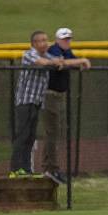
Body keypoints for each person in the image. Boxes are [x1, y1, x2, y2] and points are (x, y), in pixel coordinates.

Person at [9, 31, 63, 178]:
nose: (44, 43)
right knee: (23, 135)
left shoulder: (47, 55)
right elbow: (42, 63)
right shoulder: (29, 54)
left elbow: (59, 61)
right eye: (41, 41)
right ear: (33, 44)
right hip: (25, 101)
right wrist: (56, 62)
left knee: (31, 136)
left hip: (37, 102)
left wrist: (82, 61)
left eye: (46, 40)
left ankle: (26, 169)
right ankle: (15, 169)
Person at [42, 27, 91, 183]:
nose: (67, 41)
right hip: (50, 96)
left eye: (69, 39)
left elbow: (72, 62)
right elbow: (61, 63)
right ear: (57, 40)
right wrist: (81, 61)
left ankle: (49, 168)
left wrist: (79, 63)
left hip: (59, 97)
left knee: (55, 132)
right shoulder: (54, 49)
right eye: (64, 39)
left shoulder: (66, 51)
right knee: (52, 133)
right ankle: (51, 169)